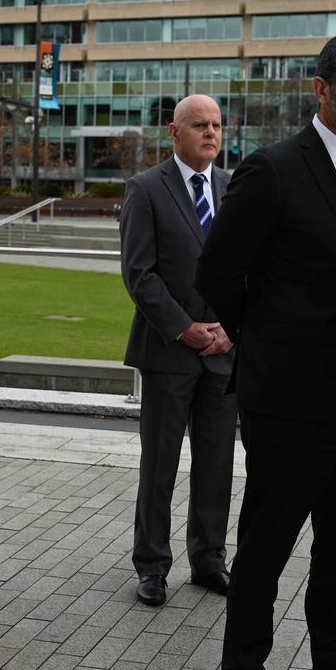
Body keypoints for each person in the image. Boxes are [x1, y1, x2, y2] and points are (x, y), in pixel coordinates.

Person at [195, 32, 336, 670]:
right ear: (322, 89)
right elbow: (217, 275)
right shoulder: (273, 170)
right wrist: (266, 343)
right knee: (264, 555)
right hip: (289, 405)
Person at [118, 94, 237, 607]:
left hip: (225, 351)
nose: (211, 133)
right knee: (160, 463)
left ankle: (208, 560)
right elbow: (138, 275)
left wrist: (232, 328)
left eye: (216, 125)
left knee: (217, 463)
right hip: (169, 351)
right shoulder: (146, 189)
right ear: (174, 132)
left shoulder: (236, 189)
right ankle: (151, 565)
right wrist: (185, 328)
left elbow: (251, 269)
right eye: (199, 125)